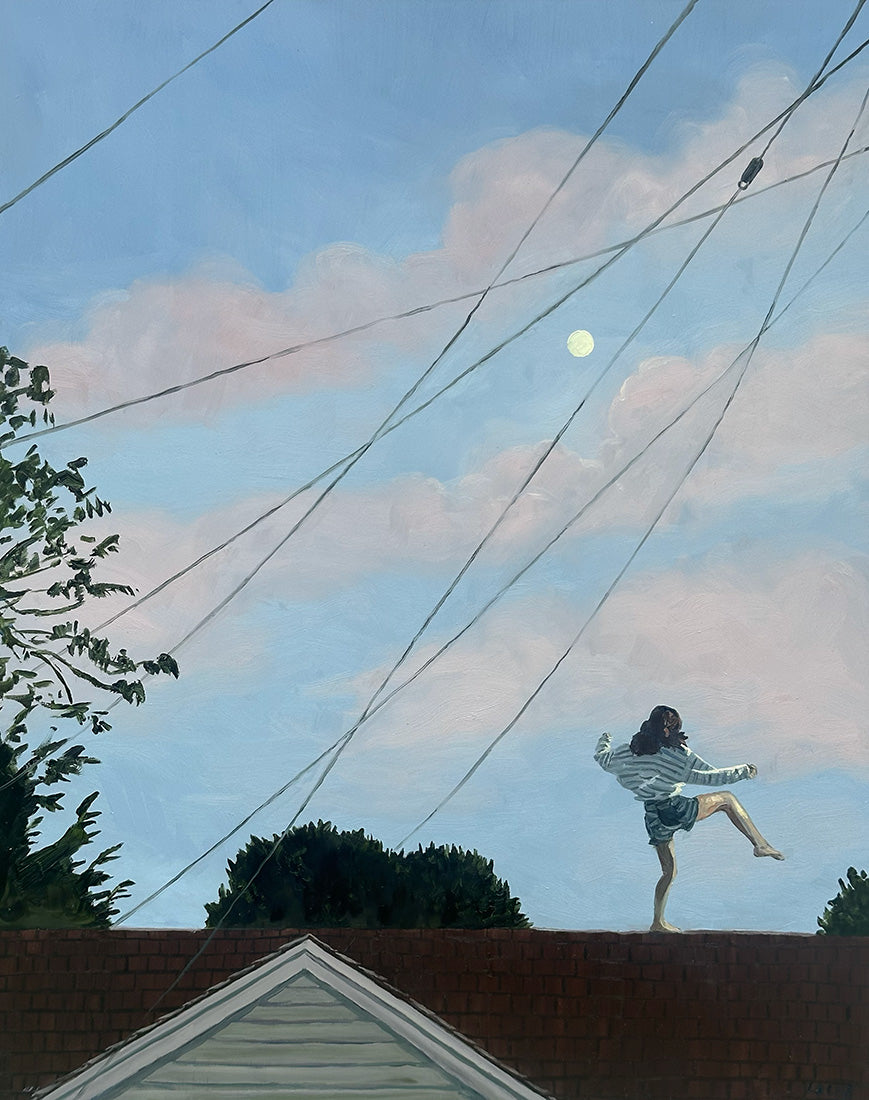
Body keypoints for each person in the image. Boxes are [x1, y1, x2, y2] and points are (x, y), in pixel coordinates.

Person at [594, 705, 784, 932]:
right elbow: (711, 777)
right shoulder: (678, 756)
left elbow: (603, 758)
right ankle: (760, 845)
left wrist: (605, 739)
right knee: (727, 799)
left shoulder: (628, 752)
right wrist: (743, 771)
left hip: (653, 816)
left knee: (669, 871)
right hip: (674, 808)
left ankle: (658, 922)